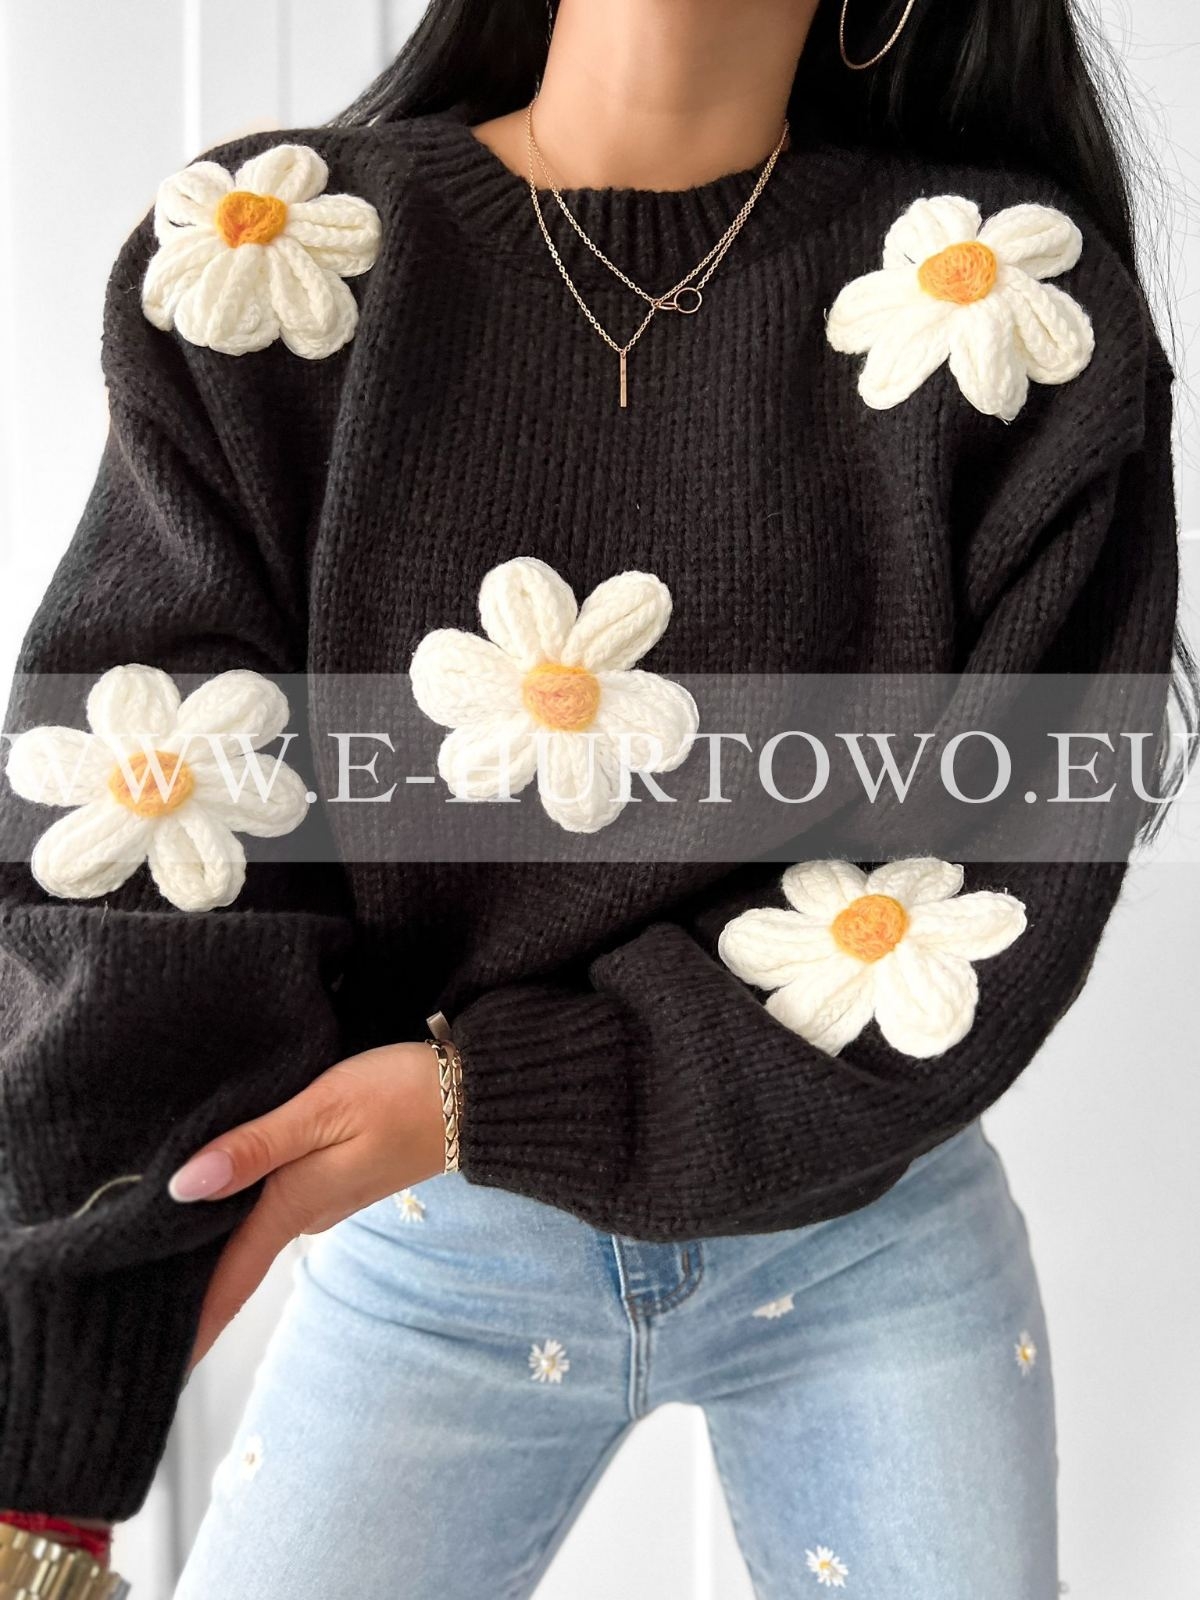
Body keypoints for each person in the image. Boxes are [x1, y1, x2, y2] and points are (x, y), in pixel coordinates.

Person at [0, 0, 1190, 1596]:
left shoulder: (1008, 305)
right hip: (436, 1244)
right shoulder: (271, 256)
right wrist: (56, 1386)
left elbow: (996, 877)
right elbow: (145, 798)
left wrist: (482, 1090)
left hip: (866, 1240)